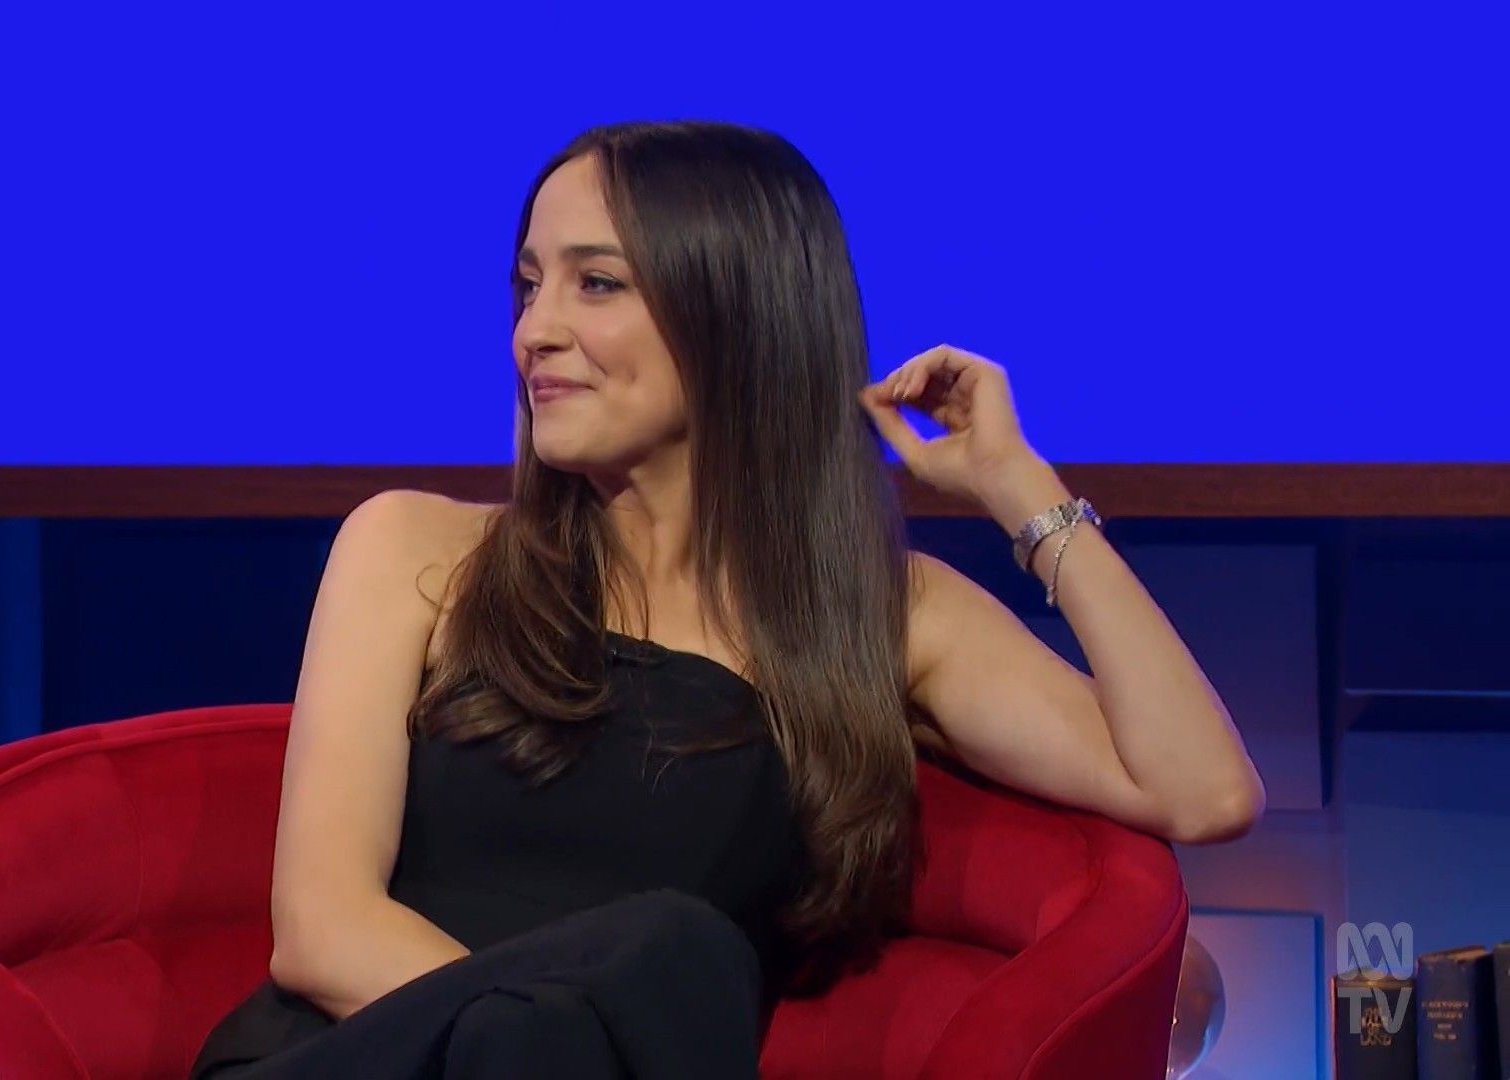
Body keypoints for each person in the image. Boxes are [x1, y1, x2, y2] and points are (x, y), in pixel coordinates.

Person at [190, 119, 1265, 1078]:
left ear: (734, 314)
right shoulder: (413, 548)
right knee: (673, 948)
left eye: (594, 284)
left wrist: (1018, 487)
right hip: (354, 1055)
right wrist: (552, 1044)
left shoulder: (877, 619)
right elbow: (322, 931)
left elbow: (1203, 791)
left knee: (679, 947)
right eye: (528, 286)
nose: (533, 331)